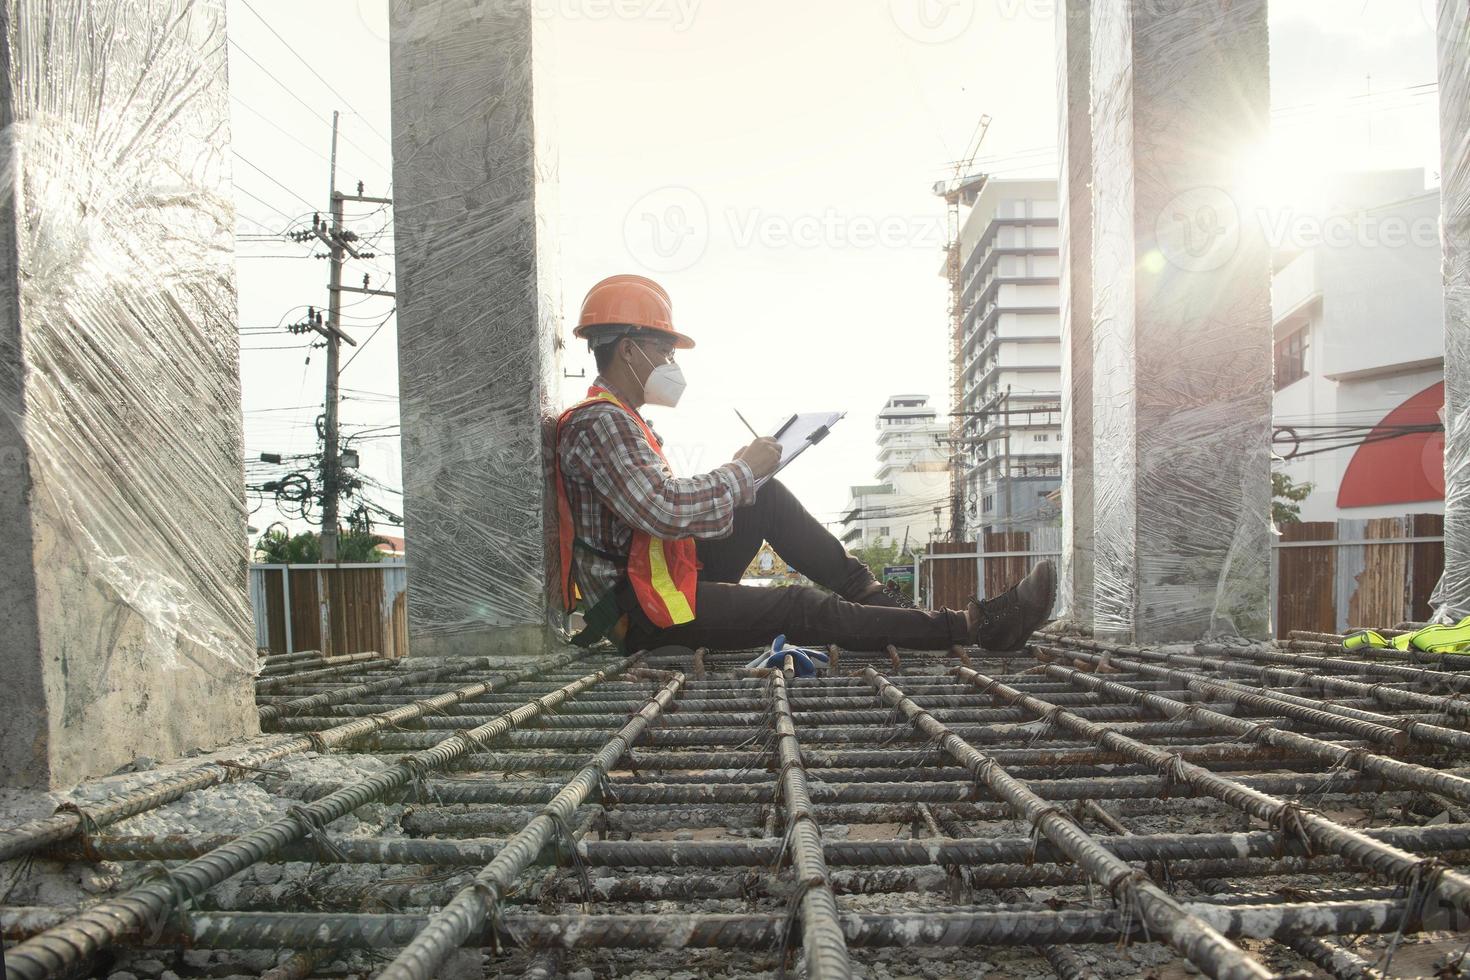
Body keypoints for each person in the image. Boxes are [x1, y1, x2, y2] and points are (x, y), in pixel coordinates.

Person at [554, 273, 1056, 653]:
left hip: (656, 582)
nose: (671, 365)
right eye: (663, 352)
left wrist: (748, 478)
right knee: (796, 605)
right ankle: (971, 626)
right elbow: (661, 509)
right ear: (628, 350)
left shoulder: (620, 420)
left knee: (763, 497)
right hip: (638, 610)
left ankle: (879, 601)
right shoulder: (601, 423)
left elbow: (654, 512)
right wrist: (741, 471)